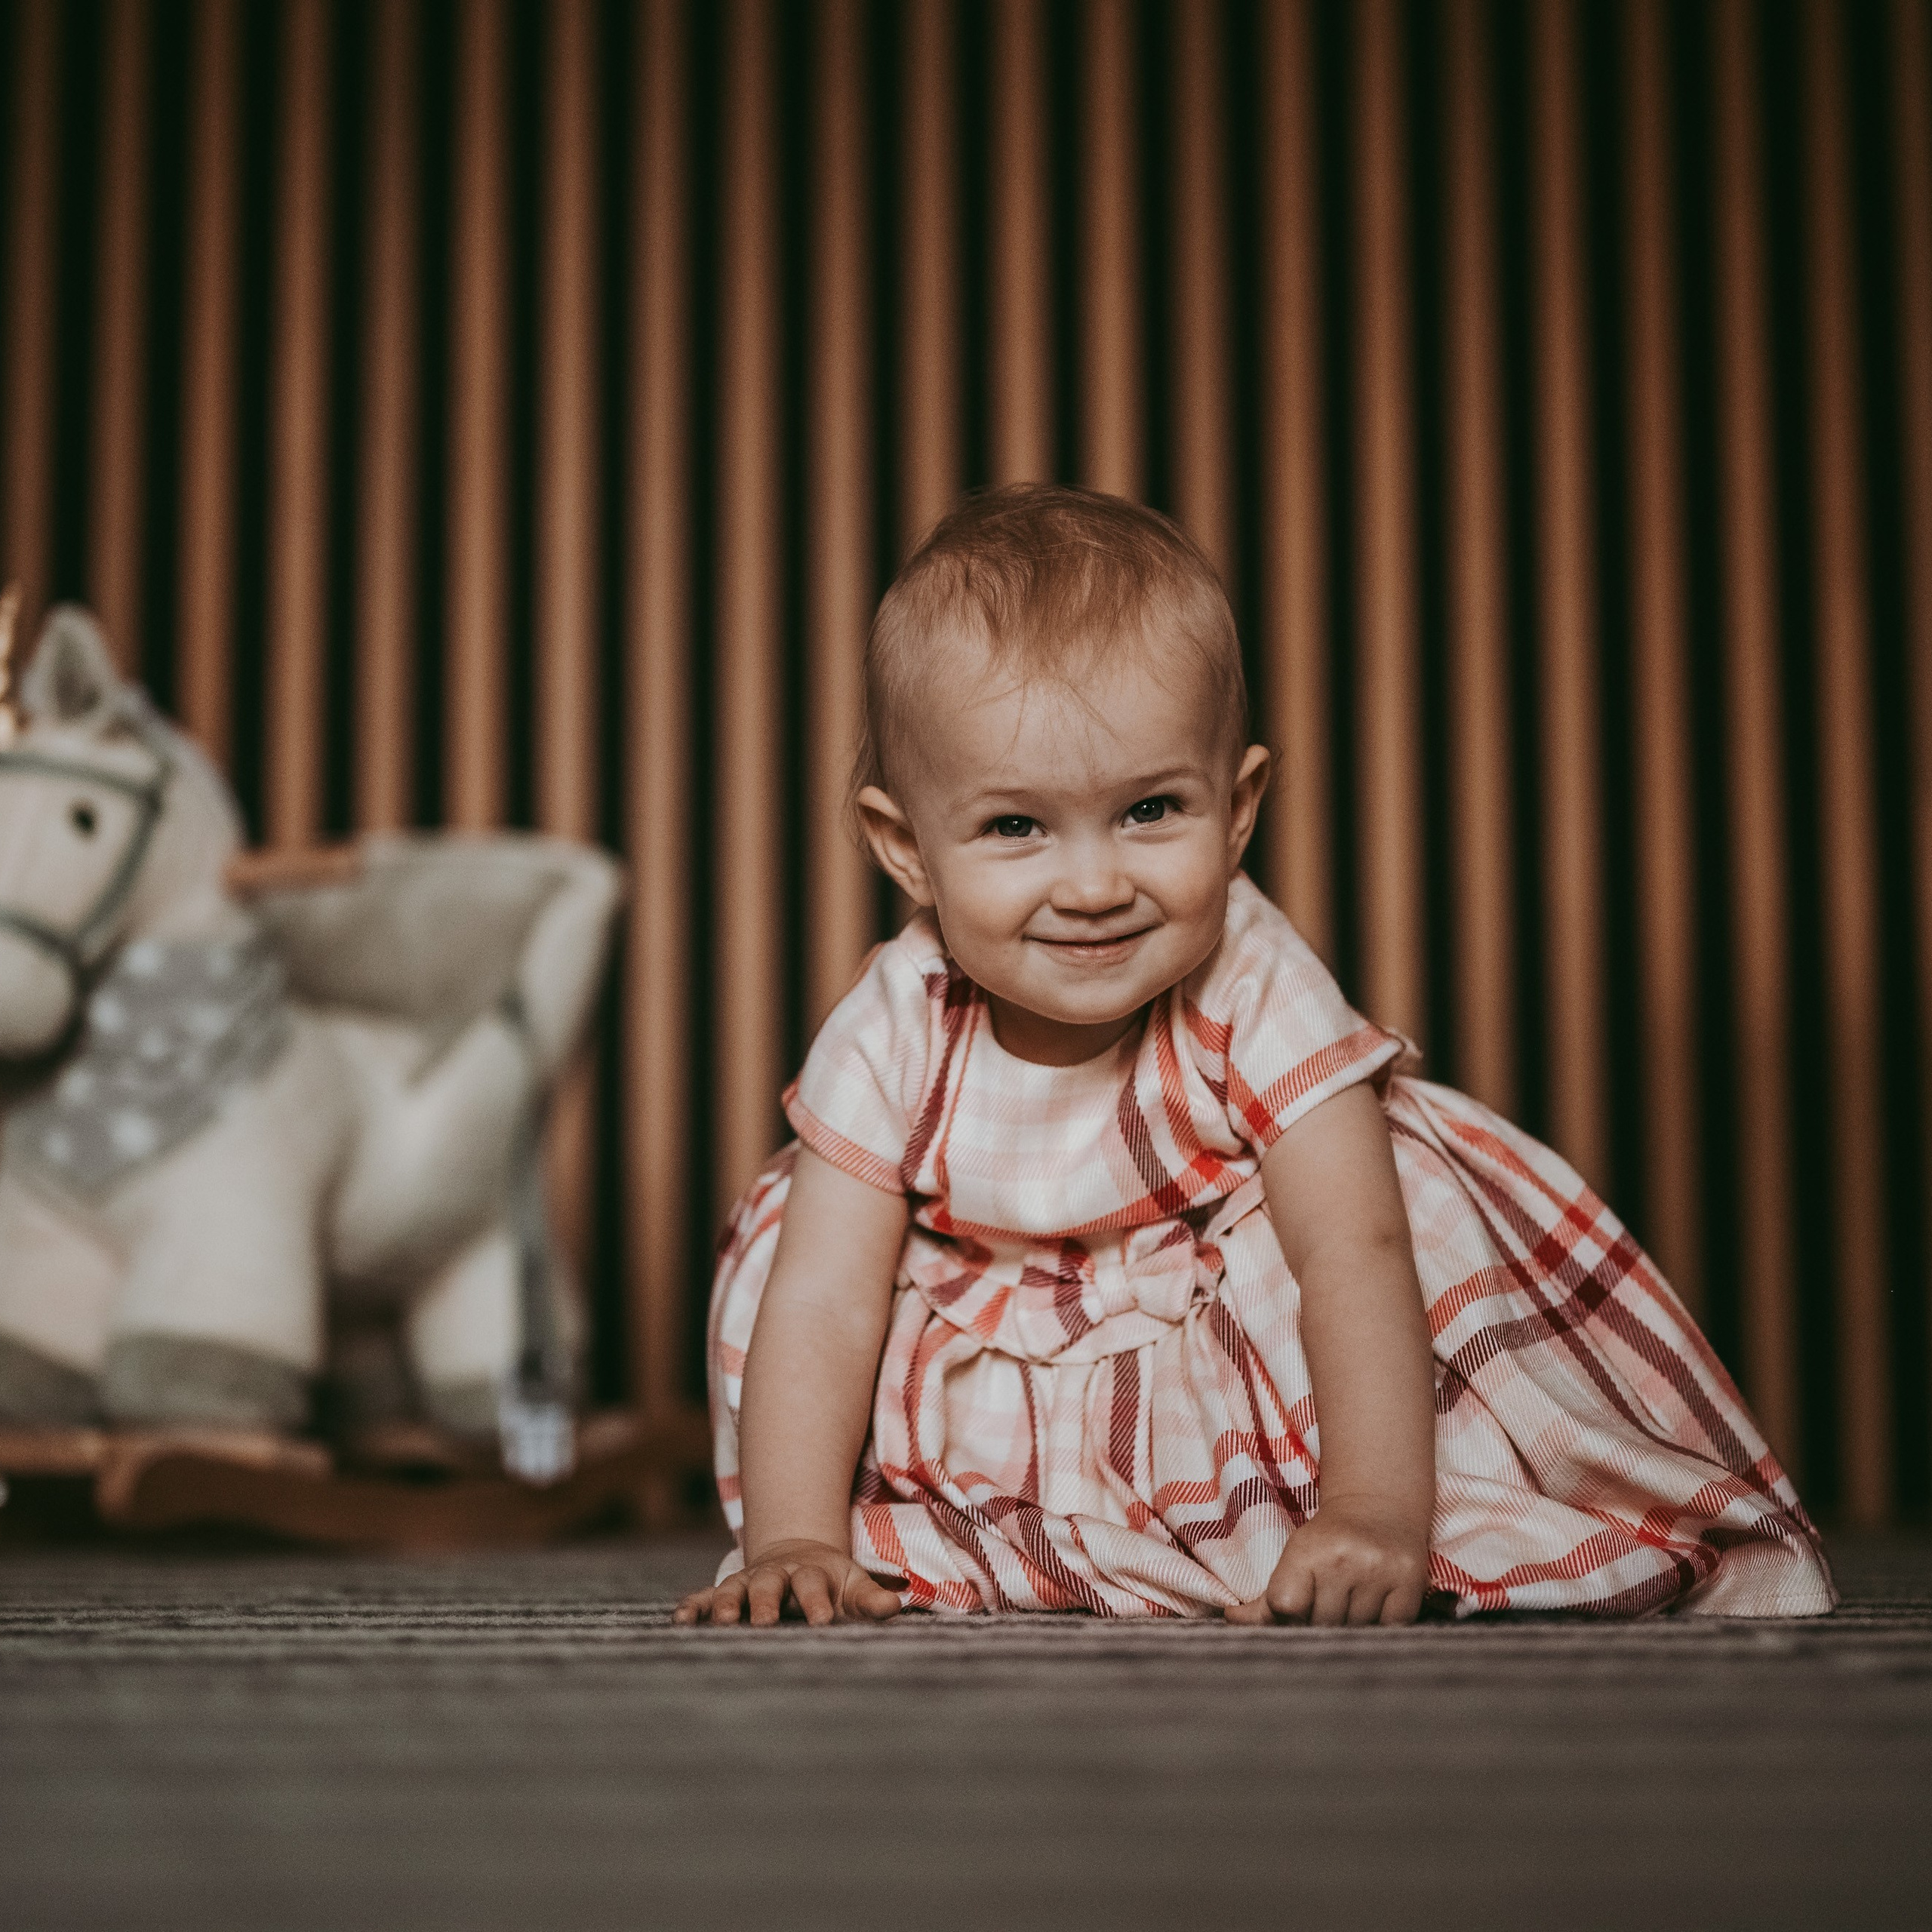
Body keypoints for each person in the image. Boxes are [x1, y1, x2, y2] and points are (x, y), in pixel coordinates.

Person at [675, 484, 1835, 1628]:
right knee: (791, 1244)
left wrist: (1379, 1512)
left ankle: (1323, 1522)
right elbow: (825, 1306)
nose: (1093, 885)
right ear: (906, 848)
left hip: (1235, 1357)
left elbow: (1351, 1253)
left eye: (1151, 811)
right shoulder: (897, 1023)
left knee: (1393, 1187)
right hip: (989, 1367)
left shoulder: (1251, 974)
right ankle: (947, 1532)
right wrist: (792, 1540)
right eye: (1015, 827)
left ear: (1237, 809)